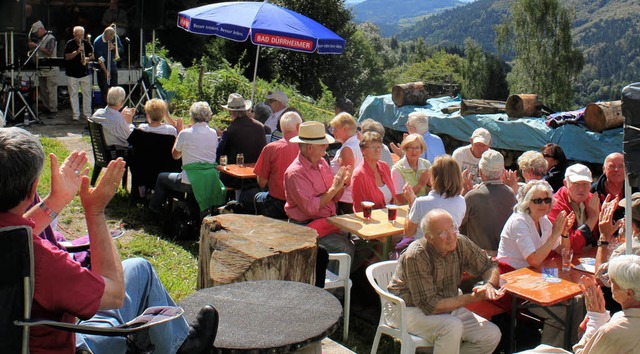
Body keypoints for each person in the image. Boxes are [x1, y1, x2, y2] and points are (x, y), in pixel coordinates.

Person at [0, 127, 216, 354]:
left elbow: (12, 229)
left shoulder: (17, 246)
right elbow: (114, 294)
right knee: (137, 274)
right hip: (69, 345)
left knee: (138, 268)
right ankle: (181, 349)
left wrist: (57, 199)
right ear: (33, 188)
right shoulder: (38, 260)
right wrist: (95, 212)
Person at [388, 208, 504, 354]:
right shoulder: (417, 255)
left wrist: (489, 284)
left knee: (491, 335)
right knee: (451, 327)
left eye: (453, 228)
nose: (451, 236)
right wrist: (474, 297)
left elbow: (490, 265)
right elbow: (431, 306)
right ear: (429, 238)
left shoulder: (460, 242)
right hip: (406, 309)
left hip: (447, 305)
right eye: (443, 233)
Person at [497, 180, 578, 347]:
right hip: (513, 285)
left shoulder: (543, 220)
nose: (543, 204)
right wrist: (555, 233)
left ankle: (572, 345)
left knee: (578, 299)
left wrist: (563, 233)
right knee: (561, 311)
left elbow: (564, 252)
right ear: (527, 202)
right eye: (537, 200)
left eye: (547, 200)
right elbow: (534, 260)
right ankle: (549, 350)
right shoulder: (519, 221)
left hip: (533, 278)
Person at [519, 255, 640, 354]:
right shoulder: (619, 324)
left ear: (629, 292)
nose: (608, 282)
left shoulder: (613, 331)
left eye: (613, 281)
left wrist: (595, 319)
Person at [283, 121, 354, 260]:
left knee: (362, 240)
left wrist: (342, 184)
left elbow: (334, 198)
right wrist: (334, 188)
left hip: (327, 221)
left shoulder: (321, 163)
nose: (326, 146)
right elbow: (311, 209)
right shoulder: (295, 173)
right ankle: (330, 279)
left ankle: (343, 277)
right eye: (322, 144)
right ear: (310, 148)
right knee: (346, 250)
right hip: (305, 227)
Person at [149, 102, 220, 215]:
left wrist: (179, 133)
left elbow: (175, 156)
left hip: (189, 181)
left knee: (162, 177)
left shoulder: (185, 133)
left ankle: (154, 209)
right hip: (208, 180)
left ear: (191, 116)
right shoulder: (213, 133)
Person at [461, 150, 516, 256]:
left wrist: (464, 191)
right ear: (502, 172)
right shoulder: (511, 193)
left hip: (477, 256)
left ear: (480, 172)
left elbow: (458, 222)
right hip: (504, 253)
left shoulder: (472, 196)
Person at [217, 93, 267, 208]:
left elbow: (219, 155)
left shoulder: (230, 130)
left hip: (235, 179)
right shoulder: (260, 127)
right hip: (257, 176)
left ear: (230, 112)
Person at [253, 111, 302, 219]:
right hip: (302, 204)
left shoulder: (270, 148)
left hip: (277, 203)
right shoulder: (308, 148)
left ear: (281, 127)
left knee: (258, 196)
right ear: (299, 126)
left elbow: (261, 182)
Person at [405, 155, 466, 240]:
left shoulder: (421, 202)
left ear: (434, 177)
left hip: (424, 250)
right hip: (450, 249)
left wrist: (410, 205)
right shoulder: (461, 201)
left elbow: (408, 233)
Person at [548, 163, 600, 255]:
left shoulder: (592, 200)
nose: (581, 189)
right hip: (563, 261)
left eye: (585, 184)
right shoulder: (555, 206)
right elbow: (569, 249)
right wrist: (592, 220)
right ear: (565, 183)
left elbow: (601, 235)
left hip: (589, 257)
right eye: (575, 184)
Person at [351, 131, 397, 211]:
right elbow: (359, 208)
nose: (377, 150)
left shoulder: (384, 166)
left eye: (379, 147)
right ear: (363, 150)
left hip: (390, 216)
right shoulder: (359, 175)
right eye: (373, 147)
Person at [329, 112, 363, 214]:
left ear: (345, 129)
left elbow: (345, 179)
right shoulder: (356, 143)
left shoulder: (347, 148)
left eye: (335, 128)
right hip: (351, 197)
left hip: (345, 199)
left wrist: (334, 198)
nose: (332, 131)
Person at [28, 21, 58, 117]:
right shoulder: (40, 39)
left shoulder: (51, 38)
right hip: (41, 69)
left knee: (51, 90)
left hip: (51, 69)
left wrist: (36, 46)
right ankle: (46, 107)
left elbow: (49, 51)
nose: (36, 34)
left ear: (41, 29)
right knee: (43, 90)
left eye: (37, 32)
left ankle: (53, 109)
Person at [391, 133, 431, 205]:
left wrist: (429, 185)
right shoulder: (397, 169)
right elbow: (400, 200)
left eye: (417, 148)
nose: (414, 151)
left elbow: (432, 193)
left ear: (421, 150)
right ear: (405, 149)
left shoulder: (427, 165)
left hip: (425, 207)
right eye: (410, 148)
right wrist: (420, 184)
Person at [64, 26, 94, 121]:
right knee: (73, 94)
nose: (80, 37)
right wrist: (77, 52)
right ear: (74, 35)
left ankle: (87, 114)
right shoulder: (70, 44)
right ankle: (76, 115)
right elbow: (67, 57)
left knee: (87, 94)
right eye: (77, 35)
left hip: (85, 73)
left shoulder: (87, 43)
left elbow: (92, 56)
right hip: (72, 73)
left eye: (81, 35)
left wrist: (87, 59)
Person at [591, 152, 628, 222]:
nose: (616, 170)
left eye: (621, 166)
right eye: (612, 166)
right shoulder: (592, 192)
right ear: (604, 169)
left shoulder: (635, 190)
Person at [94, 26, 124, 101]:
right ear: (105, 34)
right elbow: (100, 59)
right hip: (102, 67)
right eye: (109, 38)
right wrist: (105, 71)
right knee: (105, 89)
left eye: (112, 37)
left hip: (113, 65)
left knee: (114, 89)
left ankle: (115, 107)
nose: (111, 39)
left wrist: (114, 48)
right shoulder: (98, 42)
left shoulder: (115, 37)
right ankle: (106, 108)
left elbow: (121, 50)